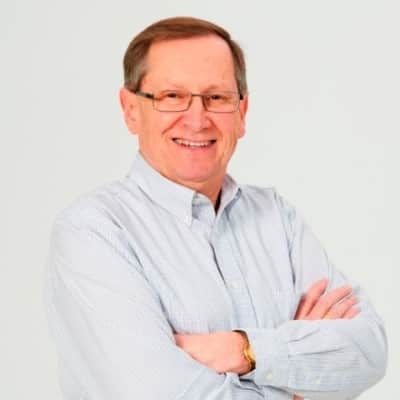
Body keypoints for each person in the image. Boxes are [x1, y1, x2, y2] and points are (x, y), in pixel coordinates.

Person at [45, 16, 387, 400]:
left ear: (242, 112)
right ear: (130, 110)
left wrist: (246, 350)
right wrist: (299, 385)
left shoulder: (277, 219)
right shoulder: (94, 231)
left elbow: (370, 350)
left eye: (217, 98)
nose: (197, 120)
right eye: (171, 96)